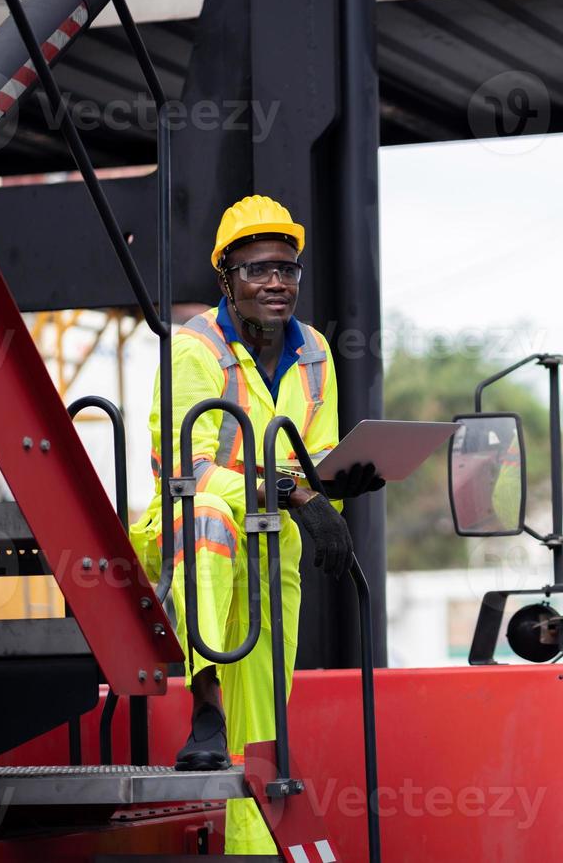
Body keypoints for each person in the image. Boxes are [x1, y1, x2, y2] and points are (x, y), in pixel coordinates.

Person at [129, 194, 382, 855]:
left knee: (264, 736)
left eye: (288, 269)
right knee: (210, 510)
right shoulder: (192, 351)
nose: (276, 281)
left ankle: (257, 851)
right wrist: (300, 495)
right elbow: (189, 469)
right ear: (227, 281)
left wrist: (336, 484)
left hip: (271, 545)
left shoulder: (316, 352)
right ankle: (206, 704)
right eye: (257, 269)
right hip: (189, 534)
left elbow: (313, 454)